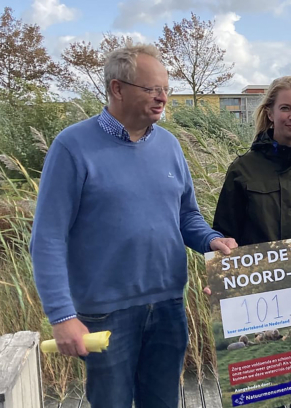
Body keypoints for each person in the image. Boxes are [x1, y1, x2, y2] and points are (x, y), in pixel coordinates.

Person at [29, 44, 237, 408]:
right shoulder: (72, 146)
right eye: (152, 89)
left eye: (165, 89)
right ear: (117, 88)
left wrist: (210, 240)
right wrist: (62, 316)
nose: (162, 98)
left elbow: (186, 215)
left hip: (169, 307)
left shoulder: (170, 145)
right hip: (105, 315)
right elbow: (47, 238)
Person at [212, 76, 291, 408]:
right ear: (270, 113)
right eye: (285, 108)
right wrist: (220, 278)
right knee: (262, 395)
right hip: (258, 297)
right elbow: (223, 236)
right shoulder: (243, 170)